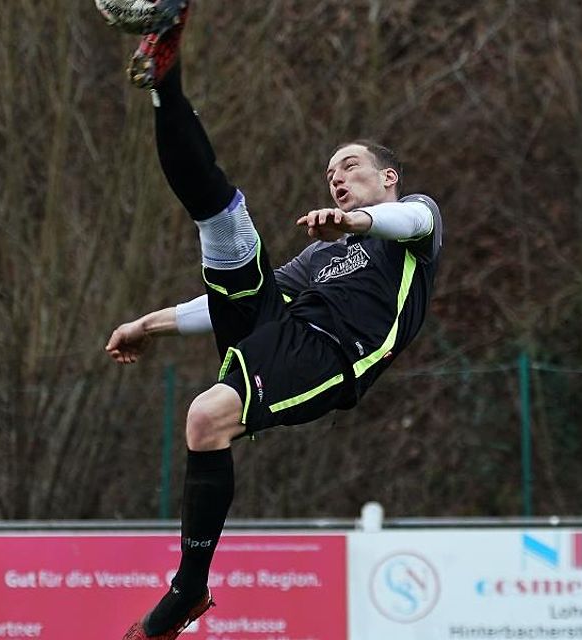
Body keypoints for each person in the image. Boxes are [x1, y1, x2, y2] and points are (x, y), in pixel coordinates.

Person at [99, 3, 443, 639]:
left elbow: (409, 221)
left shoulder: (411, 221)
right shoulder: (320, 253)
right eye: (331, 172)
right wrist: (147, 324)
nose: (338, 178)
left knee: (206, 416)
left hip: (334, 358)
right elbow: (231, 306)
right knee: (222, 224)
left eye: (351, 167)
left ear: (387, 177)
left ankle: (187, 588)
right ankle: (166, 69)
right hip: (283, 331)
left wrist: (358, 221)